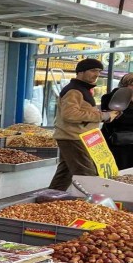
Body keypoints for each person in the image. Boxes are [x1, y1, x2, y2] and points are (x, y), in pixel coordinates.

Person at [49, 58, 118, 190]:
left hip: (78, 137)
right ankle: (90, 207)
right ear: (80, 72)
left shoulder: (81, 89)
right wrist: (103, 116)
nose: (97, 74)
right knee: (87, 174)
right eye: (93, 70)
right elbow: (70, 115)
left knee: (65, 173)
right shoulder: (74, 91)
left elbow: (82, 111)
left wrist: (105, 113)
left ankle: (49, 199)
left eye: (99, 71)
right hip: (73, 138)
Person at [101, 73, 133, 170]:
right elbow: (116, 119)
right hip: (117, 142)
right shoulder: (111, 98)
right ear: (124, 85)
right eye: (132, 85)